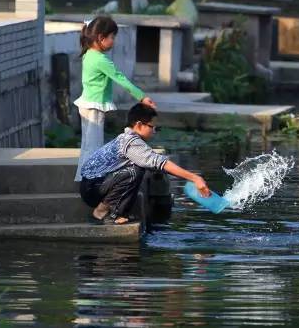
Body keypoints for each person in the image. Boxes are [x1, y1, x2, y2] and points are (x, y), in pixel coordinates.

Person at [78, 103, 211, 225]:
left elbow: (154, 160)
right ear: (139, 124)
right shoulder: (131, 142)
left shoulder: (127, 138)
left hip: (96, 184)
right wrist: (195, 178)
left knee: (137, 169)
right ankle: (101, 212)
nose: (154, 131)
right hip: (92, 188)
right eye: (152, 127)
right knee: (134, 171)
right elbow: (160, 162)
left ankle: (116, 211)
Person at [74, 16, 157, 180]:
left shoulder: (88, 54)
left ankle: (83, 177)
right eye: (112, 37)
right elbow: (121, 79)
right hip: (94, 106)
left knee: (87, 144)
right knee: (94, 145)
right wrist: (142, 97)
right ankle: (91, 178)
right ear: (101, 38)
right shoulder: (101, 60)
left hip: (87, 104)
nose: (114, 41)